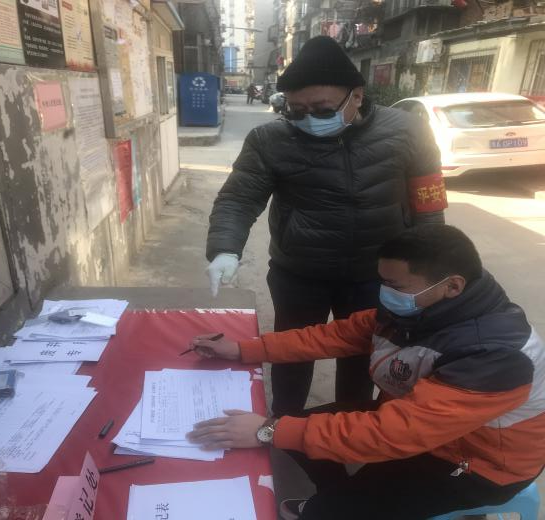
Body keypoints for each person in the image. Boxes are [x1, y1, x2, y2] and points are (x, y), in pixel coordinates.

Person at [190, 225, 545, 519]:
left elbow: (396, 433)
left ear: (452, 286)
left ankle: (334, 506)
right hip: (421, 422)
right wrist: (243, 349)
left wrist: (268, 430)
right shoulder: (418, 308)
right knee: (297, 433)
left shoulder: (497, 357)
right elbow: (334, 336)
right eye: (383, 281)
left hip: (476, 463)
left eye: (396, 286)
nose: (385, 293)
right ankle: (346, 497)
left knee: (308, 478)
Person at [206, 36, 447, 417]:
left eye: (321, 110)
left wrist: (430, 269)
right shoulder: (271, 140)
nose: (308, 120)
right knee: (292, 353)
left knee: (361, 355)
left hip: (376, 275)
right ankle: (284, 424)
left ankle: (348, 424)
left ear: (357, 96)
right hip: (300, 274)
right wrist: (225, 248)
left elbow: (428, 204)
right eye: (297, 110)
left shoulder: (408, 130)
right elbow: (239, 198)